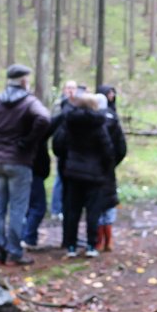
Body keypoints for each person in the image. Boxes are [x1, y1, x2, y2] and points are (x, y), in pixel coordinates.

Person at [0, 64, 50, 266]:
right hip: (19, 163)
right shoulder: (29, 102)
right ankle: (14, 252)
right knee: (17, 208)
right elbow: (44, 118)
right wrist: (28, 141)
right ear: (23, 81)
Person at [58, 94, 115, 258]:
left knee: (73, 211)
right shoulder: (98, 124)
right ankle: (91, 245)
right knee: (93, 211)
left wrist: (67, 161)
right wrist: (105, 168)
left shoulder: (69, 122)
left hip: (73, 173)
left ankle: (71, 246)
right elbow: (107, 149)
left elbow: (59, 144)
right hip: (94, 174)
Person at [96, 86, 127, 251]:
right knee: (107, 201)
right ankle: (104, 239)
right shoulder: (111, 119)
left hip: (94, 168)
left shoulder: (89, 119)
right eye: (109, 93)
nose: (112, 96)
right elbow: (121, 147)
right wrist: (111, 162)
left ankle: (102, 240)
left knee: (98, 202)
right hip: (105, 168)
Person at [50, 80, 79, 219]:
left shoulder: (79, 104)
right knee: (60, 179)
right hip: (61, 146)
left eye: (73, 88)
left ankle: (67, 207)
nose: (71, 90)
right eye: (68, 88)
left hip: (74, 148)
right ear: (64, 89)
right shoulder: (58, 105)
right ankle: (56, 209)